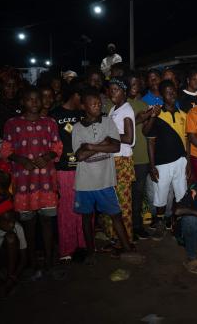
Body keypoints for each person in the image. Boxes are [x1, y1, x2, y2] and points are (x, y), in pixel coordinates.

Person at [72, 89, 142, 265]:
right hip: (85, 183)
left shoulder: (107, 121)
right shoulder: (77, 128)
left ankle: (127, 248)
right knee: (87, 218)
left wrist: (90, 146)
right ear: (83, 106)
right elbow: (79, 156)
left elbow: (116, 147)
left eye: (99, 103)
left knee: (116, 215)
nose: (98, 106)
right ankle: (90, 251)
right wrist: (103, 143)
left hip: (105, 181)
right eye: (93, 103)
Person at [1, 87, 62, 277]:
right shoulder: (12, 124)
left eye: (38, 99)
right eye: (30, 99)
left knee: (47, 222)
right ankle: (32, 262)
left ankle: (50, 260)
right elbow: (6, 150)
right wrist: (21, 160)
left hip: (45, 180)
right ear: (22, 102)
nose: (34, 103)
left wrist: (48, 156)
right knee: (29, 224)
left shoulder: (49, 123)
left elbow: (57, 146)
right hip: (24, 182)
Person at [143, 80, 189, 241]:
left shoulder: (183, 114)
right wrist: (152, 165)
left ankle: (181, 223)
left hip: (180, 161)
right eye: (168, 92)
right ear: (162, 95)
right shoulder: (157, 114)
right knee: (160, 195)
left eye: (173, 92)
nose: (172, 95)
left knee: (181, 194)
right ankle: (160, 222)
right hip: (162, 163)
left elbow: (187, 139)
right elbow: (148, 137)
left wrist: (187, 161)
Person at [48, 79, 86, 260]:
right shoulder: (54, 115)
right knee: (67, 209)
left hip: (84, 168)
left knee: (84, 207)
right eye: (83, 98)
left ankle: (84, 244)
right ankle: (67, 248)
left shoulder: (83, 113)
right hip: (63, 169)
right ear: (76, 95)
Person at [107, 77, 137, 240]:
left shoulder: (126, 110)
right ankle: (115, 236)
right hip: (113, 160)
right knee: (114, 201)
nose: (112, 93)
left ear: (124, 92)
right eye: (110, 90)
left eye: (116, 90)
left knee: (123, 203)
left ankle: (126, 239)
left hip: (122, 161)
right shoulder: (114, 109)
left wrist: (109, 136)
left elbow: (130, 138)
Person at [127, 73, 154, 240]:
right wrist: (142, 117)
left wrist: (151, 117)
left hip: (142, 155)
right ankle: (125, 227)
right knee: (125, 194)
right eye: (131, 83)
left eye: (137, 83)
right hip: (125, 156)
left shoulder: (143, 104)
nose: (134, 86)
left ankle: (136, 226)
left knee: (138, 193)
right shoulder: (117, 105)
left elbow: (146, 131)